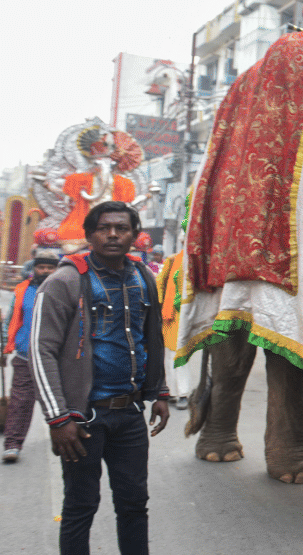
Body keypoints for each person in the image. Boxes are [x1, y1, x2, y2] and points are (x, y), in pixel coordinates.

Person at [29, 201, 171, 554]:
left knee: (135, 505)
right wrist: (58, 418)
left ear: (134, 235)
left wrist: (161, 391)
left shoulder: (143, 278)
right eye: (104, 228)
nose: (112, 235)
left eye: (121, 228)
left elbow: (151, 337)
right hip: (82, 418)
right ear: (90, 234)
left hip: (129, 414)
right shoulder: (65, 281)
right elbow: (40, 350)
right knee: (80, 507)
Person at [3, 249, 60, 463]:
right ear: (34, 268)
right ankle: (12, 444)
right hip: (25, 356)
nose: (45, 271)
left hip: (57, 359)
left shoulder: (68, 290)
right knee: (20, 401)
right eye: (41, 267)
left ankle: (66, 441)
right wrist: (4, 348)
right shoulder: (22, 290)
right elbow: (11, 320)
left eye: (50, 267)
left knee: (60, 402)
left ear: (57, 269)